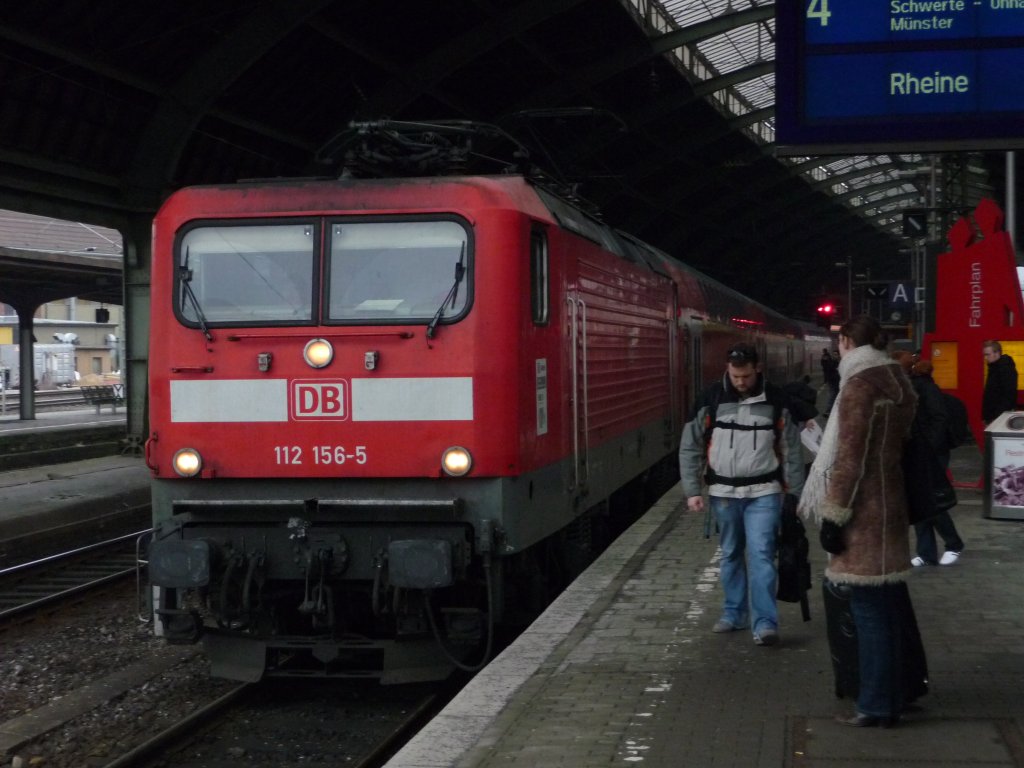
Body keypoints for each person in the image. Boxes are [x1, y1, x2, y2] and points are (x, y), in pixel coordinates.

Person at [799, 316, 918, 728]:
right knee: (888, 611)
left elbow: (850, 460)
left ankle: (876, 705)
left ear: (847, 341)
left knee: (869, 615)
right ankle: (895, 695)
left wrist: (833, 516)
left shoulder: (858, 386)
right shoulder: (897, 380)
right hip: (891, 505)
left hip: (863, 513)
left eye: (841, 342)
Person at [679, 342, 805, 647]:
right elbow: (691, 446)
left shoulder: (776, 400)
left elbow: (791, 450)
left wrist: (795, 495)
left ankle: (765, 622)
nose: (740, 382)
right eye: (735, 376)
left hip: (764, 491)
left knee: (762, 554)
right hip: (723, 492)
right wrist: (692, 491)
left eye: (746, 376)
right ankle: (734, 612)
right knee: (731, 553)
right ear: (728, 370)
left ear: (757, 369)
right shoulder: (710, 399)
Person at [909, 359, 965, 566]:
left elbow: (938, 419)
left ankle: (953, 544)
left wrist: (929, 446)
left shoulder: (925, 389)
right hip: (920, 452)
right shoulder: (915, 388)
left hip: (931, 453)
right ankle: (925, 552)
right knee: (921, 501)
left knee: (933, 501)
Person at [982, 340, 1018, 425]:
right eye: (984, 355)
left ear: (997, 353)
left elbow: (1009, 395)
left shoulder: (1005, 369)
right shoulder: (994, 368)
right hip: (993, 416)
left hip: (1000, 417)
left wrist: (997, 417)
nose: (985, 358)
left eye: (987, 354)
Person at [821, 348, 840, 415]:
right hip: (833, 381)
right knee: (832, 395)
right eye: (834, 354)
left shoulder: (838, 362)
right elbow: (828, 370)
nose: (835, 356)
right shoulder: (832, 362)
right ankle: (828, 410)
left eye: (836, 354)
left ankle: (833, 410)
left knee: (834, 395)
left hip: (836, 381)